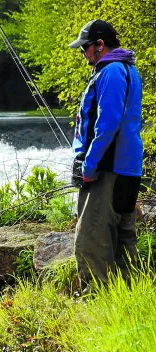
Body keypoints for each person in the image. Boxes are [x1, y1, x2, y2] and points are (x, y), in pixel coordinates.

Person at [69, 19, 143, 287]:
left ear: (100, 45)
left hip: (107, 170)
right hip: (128, 168)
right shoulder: (128, 70)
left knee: (91, 242)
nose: (83, 53)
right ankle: (130, 300)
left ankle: (95, 305)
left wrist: (89, 166)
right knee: (123, 240)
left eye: (85, 47)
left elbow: (107, 124)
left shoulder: (110, 72)